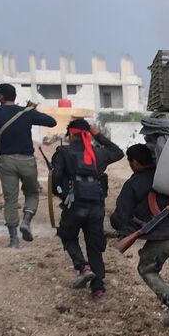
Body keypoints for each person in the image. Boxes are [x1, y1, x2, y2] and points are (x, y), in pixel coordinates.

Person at [111, 143, 169, 336]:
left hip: (162, 238)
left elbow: (120, 216)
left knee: (146, 269)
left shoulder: (134, 183)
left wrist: (124, 229)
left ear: (134, 163)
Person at [51, 118, 123, 303]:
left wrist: (60, 193)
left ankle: (83, 268)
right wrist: (98, 135)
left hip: (74, 206)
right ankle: (98, 291)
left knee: (67, 236)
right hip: (96, 207)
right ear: (87, 134)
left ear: (71, 135)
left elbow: (56, 179)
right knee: (94, 247)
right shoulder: (98, 153)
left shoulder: (63, 152)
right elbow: (118, 152)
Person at [0, 83, 58, 247]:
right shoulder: (27, 113)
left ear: (1, 97)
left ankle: (13, 239)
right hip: (27, 161)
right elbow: (52, 122)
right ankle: (26, 221)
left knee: (10, 199)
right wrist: (32, 111)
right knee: (32, 193)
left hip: (6, 161)